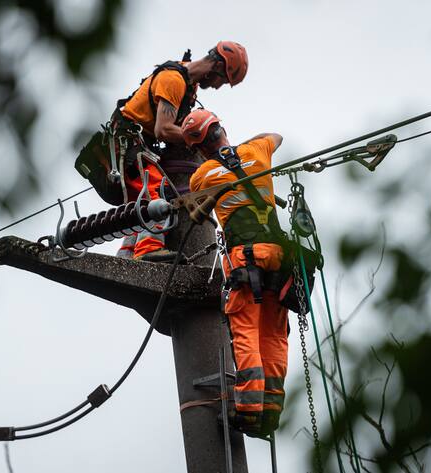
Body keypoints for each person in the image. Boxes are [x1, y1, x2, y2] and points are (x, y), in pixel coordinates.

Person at [74, 41, 248, 262]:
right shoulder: (173, 80)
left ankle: (126, 255)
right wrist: (199, 140)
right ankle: (149, 248)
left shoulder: (188, 82)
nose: (217, 86)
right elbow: (163, 129)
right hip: (128, 142)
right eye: (222, 80)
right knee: (153, 192)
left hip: (136, 144)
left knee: (140, 204)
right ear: (218, 67)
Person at [185, 109, 288, 437]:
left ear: (199, 149)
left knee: (246, 332)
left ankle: (247, 413)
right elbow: (276, 136)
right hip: (280, 259)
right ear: (222, 129)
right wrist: (242, 152)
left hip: (246, 259)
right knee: (273, 335)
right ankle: (269, 413)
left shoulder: (202, 174)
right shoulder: (258, 151)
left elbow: (196, 214)